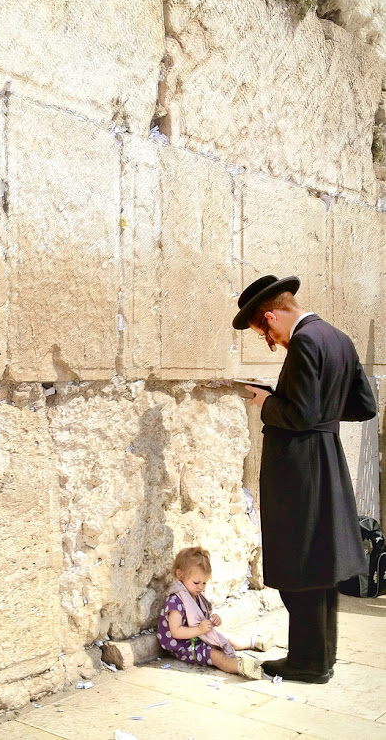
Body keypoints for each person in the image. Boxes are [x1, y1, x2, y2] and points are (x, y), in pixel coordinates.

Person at [233, 274, 377, 684]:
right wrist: (324, 415)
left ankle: (309, 663)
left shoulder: (306, 343)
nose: (271, 341)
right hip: (327, 458)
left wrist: (265, 401)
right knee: (319, 562)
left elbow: (297, 414)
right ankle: (317, 658)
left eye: (265, 332)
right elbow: (363, 406)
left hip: (298, 467)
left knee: (300, 564)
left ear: (272, 314)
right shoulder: (340, 339)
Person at [158, 546, 270, 679]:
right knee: (214, 655)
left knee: (224, 637)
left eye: (204, 583)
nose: (201, 587)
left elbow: (200, 618)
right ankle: (240, 667)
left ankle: (254, 642)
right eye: (196, 582)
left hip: (197, 636)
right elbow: (176, 631)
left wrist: (213, 620)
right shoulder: (175, 601)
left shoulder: (195, 596)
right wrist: (200, 630)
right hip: (183, 646)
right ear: (180, 575)